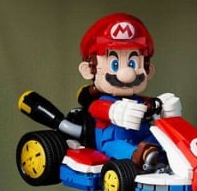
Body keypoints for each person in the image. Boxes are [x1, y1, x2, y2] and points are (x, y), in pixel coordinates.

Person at [76, 12, 181, 170]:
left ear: (148, 69)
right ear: (89, 70)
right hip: (112, 139)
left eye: (132, 64)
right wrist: (115, 111)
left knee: (162, 138)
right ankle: (140, 155)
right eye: (115, 65)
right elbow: (96, 109)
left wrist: (163, 108)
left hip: (142, 137)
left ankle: (167, 155)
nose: (127, 74)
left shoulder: (139, 100)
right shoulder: (100, 103)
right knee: (115, 146)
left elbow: (151, 107)